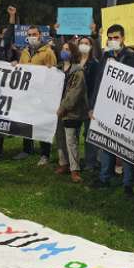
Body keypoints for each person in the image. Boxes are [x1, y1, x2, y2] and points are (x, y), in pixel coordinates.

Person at [88, 24, 134, 195]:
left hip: (125, 109)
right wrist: (92, 106)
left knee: (125, 146)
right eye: (109, 38)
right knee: (106, 143)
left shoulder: (131, 57)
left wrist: (117, 66)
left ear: (123, 38)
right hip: (106, 107)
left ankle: (127, 183)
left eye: (116, 38)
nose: (112, 41)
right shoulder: (106, 56)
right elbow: (98, 82)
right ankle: (104, 178)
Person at [13, 23, 57, 165]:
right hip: (28, 93)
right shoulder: (25, 52)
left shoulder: (48, 52)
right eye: (30, 35)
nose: (32, 37)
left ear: (40, 36)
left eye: (34, 34)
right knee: (26, 121)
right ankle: (27, 149)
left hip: (42, 95)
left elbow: (54, 74)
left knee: (42, 123)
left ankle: (45, 153)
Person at [55, 41, 89, 183]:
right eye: (63, 49)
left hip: (71, 112)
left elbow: (75, 93)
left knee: (71, 141)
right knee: (60, 139)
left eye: (67, 49)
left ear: (73, 52)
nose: (64, 51)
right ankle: (63, 164)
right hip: (58, 110)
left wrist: (63, 107)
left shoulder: (78, 71)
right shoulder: (57, 69)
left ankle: (74, 169)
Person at [79, 36, 101, 172]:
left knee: (88, 133)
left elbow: (95, 86)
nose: (83, 45)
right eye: (81, 43)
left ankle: (90, 162)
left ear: (91, 46)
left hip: (88, 103)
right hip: (75, 103)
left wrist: (92, 106)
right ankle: (75, 160)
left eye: (86, 43)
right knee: (74, 133)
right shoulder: (74, 61)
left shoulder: (94, 63)